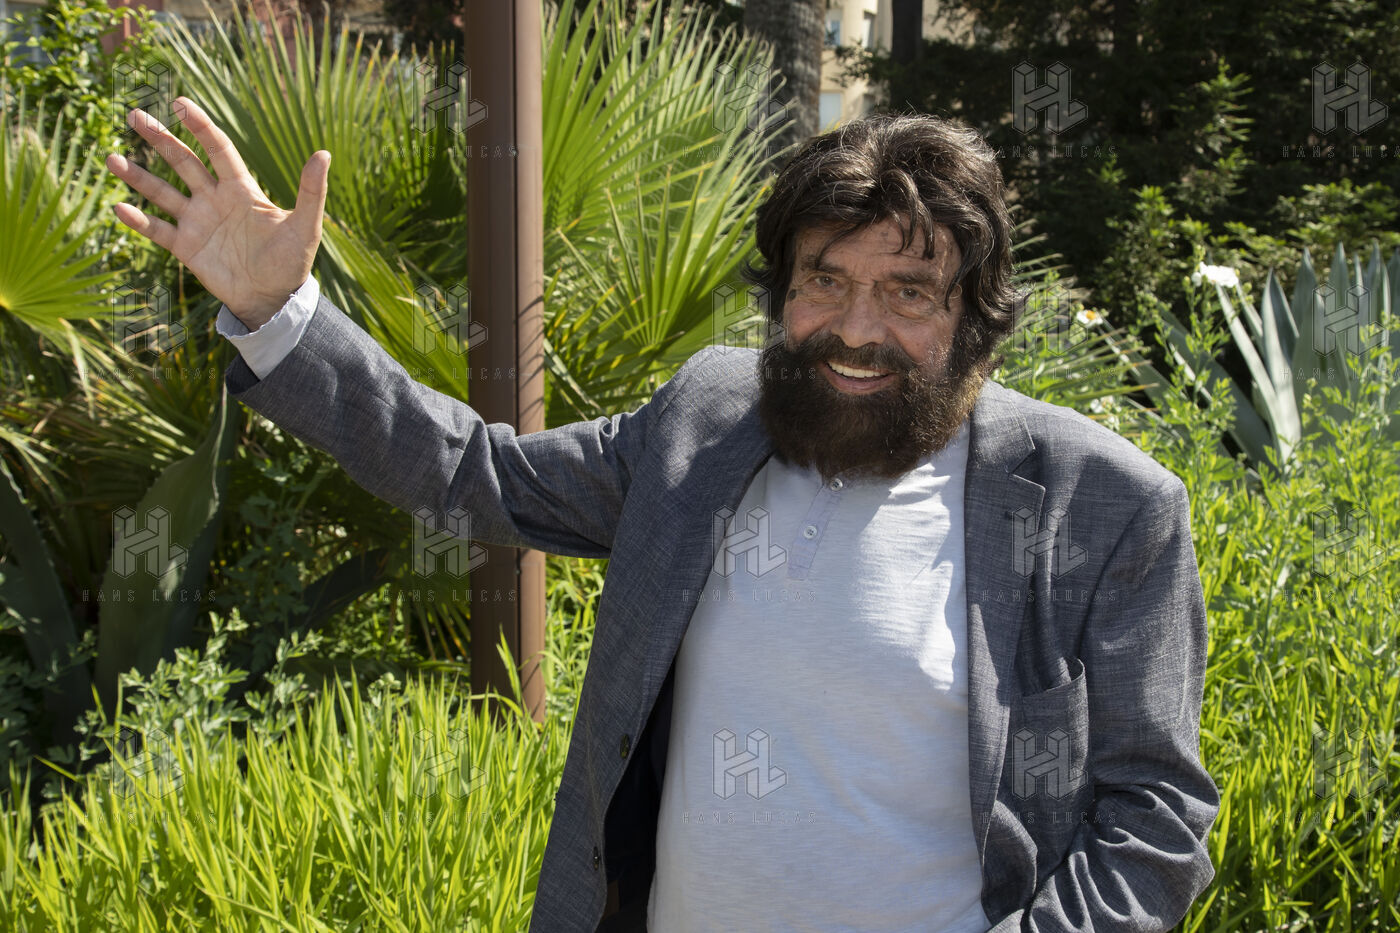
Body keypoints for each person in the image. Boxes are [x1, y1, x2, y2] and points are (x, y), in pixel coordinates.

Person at [107, 98, 1219, 932]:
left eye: (908, 292)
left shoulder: (1102, 507)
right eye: (824, 281)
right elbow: (476, 474)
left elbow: (1154, 816)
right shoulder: (711, 422)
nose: (855, 328)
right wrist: (280, 314)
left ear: (975, 317)